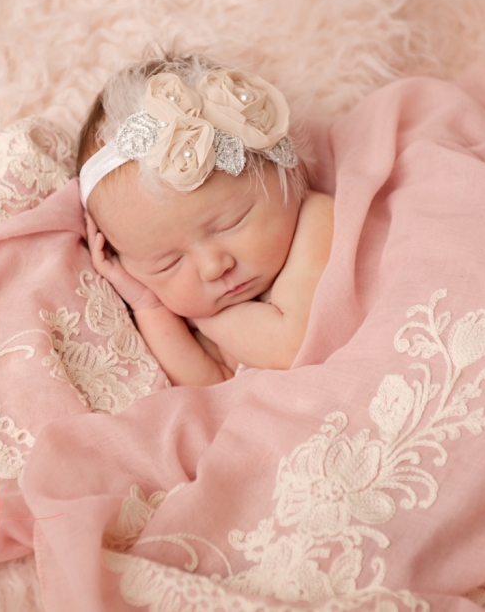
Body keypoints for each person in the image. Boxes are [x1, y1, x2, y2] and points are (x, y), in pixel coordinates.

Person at [76, 52, 334, 387]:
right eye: (168, 263)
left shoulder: (316, 221)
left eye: (230, 224)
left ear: (287, 172)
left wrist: (200, 318)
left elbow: (293, 346)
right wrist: (149, 306)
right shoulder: (209, 302)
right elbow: (209, 384)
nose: (214, 268)